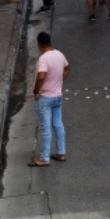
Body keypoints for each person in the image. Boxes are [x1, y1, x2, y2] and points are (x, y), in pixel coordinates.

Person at [28, 32, 70, 167]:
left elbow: (41, 76)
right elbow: (67, 68)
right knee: (58, 124)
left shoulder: (43, 59)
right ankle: (61, 152)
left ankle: (44, 158)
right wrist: (59, 80)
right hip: (58, 95)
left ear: (39, 44)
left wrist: (36, 90)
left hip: (45, 97)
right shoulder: (59, 54)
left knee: (45, 128)